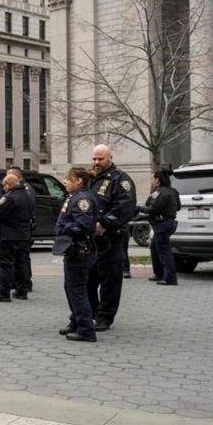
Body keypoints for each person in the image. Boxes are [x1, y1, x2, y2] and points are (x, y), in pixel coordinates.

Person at [88, 145, 136, 331]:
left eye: (100, 159)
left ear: (110, 158)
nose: (96, 162)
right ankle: (90, 311)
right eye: (94, 158)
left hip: (111, 237)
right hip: (91, 237)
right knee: (89, 277)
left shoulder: (120, 179)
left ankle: (105, 317)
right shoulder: (91, 179)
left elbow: (125, 207)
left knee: (110, 278)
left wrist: (105, 224)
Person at [55, 167, 99, 342]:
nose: (65, 182)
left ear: (79, 181)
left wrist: (64, 228)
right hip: (74, 250)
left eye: (68, 179)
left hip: (80, 249)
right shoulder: (74, 196)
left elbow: (84, 226)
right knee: (71, 288)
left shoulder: (83, 199)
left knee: (77, 290)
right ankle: (75, 322)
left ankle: (86, 329)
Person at [0, 171, 34, 302]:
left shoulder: (9, 198)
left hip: (8, 235)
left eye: (4, 186)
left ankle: (4, 291)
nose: (3, 189)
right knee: (21, 262)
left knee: (6, 263)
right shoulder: (28, 196)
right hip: (24, 234)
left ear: (8, 185)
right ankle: (22, 290)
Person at [140, 170, 181, 286]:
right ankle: (159, 274)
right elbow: (178, 207)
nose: (152, 181)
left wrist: (137, 208)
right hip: (170, 222)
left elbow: (152, 209)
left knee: (164, 252)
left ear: (158, 179)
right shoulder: (174, 191)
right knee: (155, 248)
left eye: (153, 178)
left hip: (162, 224)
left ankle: (170, 278)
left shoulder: (159, 192)